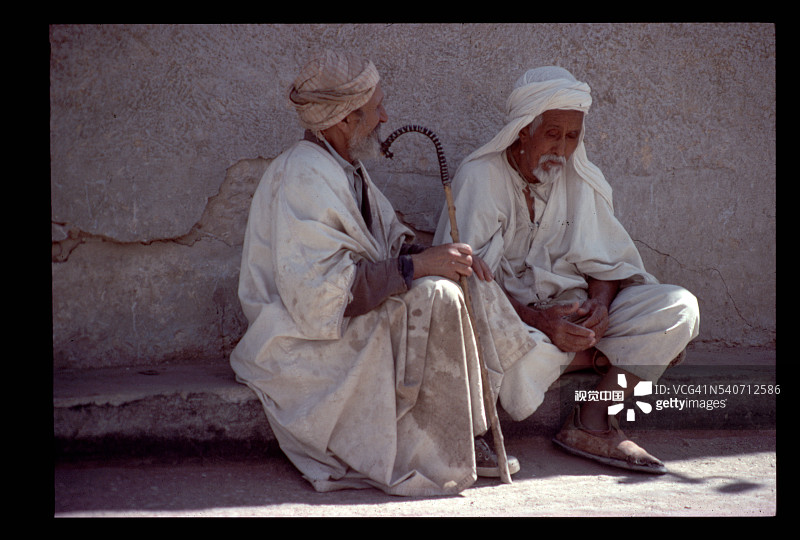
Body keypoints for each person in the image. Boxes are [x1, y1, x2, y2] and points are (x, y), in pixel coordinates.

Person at [230, 50, 519, 497]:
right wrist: (418, 267)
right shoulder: (302, 176)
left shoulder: (347, 168)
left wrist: (436, 256)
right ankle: (430, 452)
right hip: (303, 342)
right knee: (435, 297)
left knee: (463, 279)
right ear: (346, 119)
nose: (386, 116)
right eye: (377, 108)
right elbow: (320, 300)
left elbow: (385, 247)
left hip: (340, 319)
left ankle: (463, 433)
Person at [433, 66, 700, 474]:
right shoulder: (480, 178)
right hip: (514, 322)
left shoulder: (579, 180)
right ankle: (598, 356)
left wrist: (599, 306)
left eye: (572, 136)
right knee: (502, 344)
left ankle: (592, 421)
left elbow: (609, 259)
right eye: (552, 133)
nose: (562, 147)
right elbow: (463, 276)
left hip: (572, 314)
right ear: (523, 130)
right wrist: (538, 319)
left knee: (679, 309)